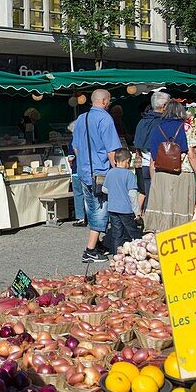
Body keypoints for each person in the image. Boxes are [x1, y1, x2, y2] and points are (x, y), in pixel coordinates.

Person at [71, 89, 119, 263]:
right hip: (101, 172)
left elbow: (75, 147)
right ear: (105, 101)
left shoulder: (81, 119)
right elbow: (112, 149)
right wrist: (117, 170)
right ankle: (90, 250)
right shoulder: (105, 119)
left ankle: (97, 244)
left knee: (91, 206)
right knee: (100, 209)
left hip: (83, 171)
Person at [144, 101, 196, 232]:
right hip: (182, 173)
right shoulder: (186, 128)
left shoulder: (157, 128)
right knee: (180, 207)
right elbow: (192, 155)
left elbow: (153, 158)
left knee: (163, 208)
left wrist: (154, 179)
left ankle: (161, 238)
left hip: (161, 174)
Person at [103, 148, 143, 253]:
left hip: (112, 208)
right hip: (126, 209)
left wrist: (115, 191)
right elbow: (132, 195)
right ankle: (139, 251)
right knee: (133, 232)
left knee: (117, 233)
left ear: (115, 160)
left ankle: (117, 255)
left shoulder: (110, 173)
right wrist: (137, 212)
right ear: (127, 161)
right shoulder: (129, 175)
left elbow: (104, 189)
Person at [133, 90, 170, 202]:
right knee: (158, 200)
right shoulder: (163, 123)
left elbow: (137, 143)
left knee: (146, 195)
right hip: (158, 166)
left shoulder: (142, 121)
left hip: (143, 165)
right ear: (164, 106)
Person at [67, 120, 86, 226]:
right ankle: (92, 216)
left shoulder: (73, 140)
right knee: (90, 195)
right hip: (88, 171)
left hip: (76, 171)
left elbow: (70, 158)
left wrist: (70, 163)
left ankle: (81, 218)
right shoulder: (87, 139)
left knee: (78, 195)